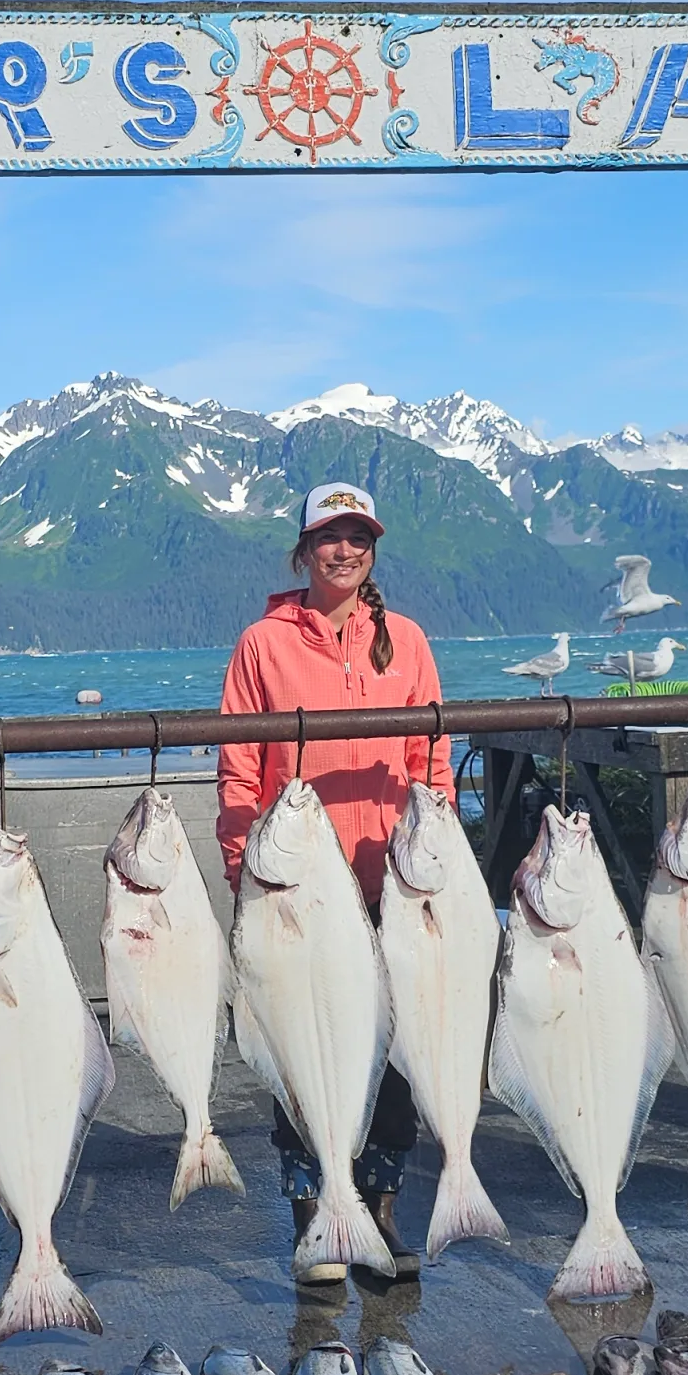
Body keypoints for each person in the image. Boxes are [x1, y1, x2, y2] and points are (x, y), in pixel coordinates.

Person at [217, 482, 453, 1286]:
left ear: (373, 549)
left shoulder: (410, 640)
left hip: (391, 880)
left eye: (358, 536)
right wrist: (243, 864)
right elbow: (239, 768)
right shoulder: (262, 644)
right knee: (298, 1046)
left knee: (391, 1063)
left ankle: (378, 1219)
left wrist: (443, 855)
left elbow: (433, 763)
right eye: (329, 537)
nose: (343, 550)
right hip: (298, 894)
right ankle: (312, 1221)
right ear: (303, 549)